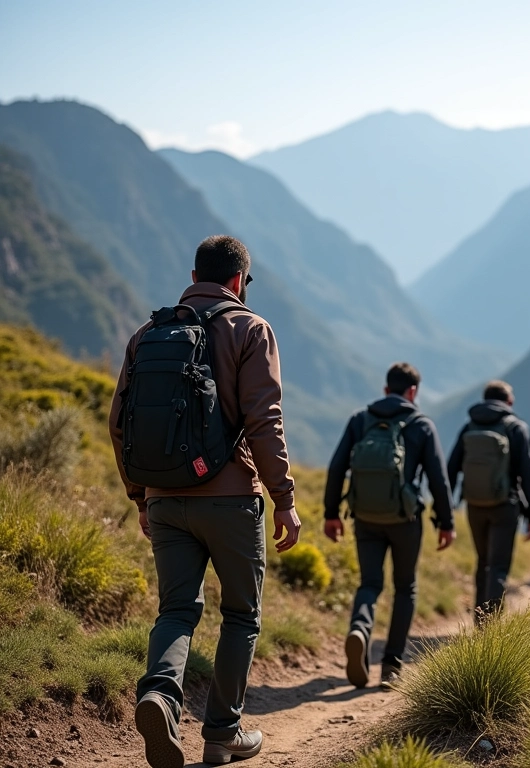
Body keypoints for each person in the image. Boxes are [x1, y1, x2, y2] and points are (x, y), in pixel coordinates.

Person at [109, 235, 301, 768]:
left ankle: (161, 697)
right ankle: (221, 734)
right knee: (241, 614)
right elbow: (264, 419)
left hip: (165, 501)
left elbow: (118, 424)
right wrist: (283, 497)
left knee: (176, 609)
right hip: (232, 501)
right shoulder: (251, 329)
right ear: (239, 280)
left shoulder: (149, 332)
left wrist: (142, 499)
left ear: (195, 274)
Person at [323, 362, 455, 689]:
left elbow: (337, 467)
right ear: (413, 392)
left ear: (385, 389)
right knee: (405, 587)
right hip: (405, 519)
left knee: (369, 583)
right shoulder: (422, 425)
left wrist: (331, 513)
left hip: (365, 516)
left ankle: (360, 629)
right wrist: (445, 522)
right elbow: (438, 479)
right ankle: (392, 666)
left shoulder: (360, 419)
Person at [447, 380, 530, 616]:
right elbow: (527, 474)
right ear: (509, 401)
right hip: (504, 506)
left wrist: (448, 505)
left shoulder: (469, 426)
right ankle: (490, 630)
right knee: (498, 567)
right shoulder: (516, 427)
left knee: (483, 562)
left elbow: (451, 467)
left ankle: (479, 620)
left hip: (475, 504)